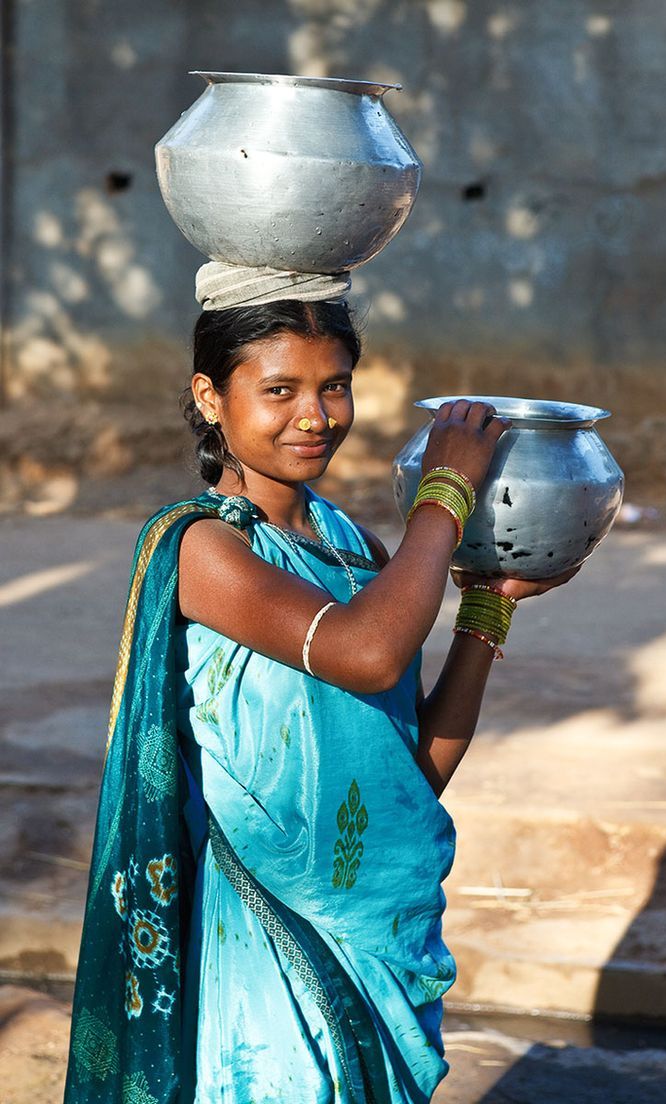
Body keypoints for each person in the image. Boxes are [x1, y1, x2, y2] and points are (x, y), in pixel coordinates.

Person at [63, 280, 578, 1104]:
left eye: (333, 385)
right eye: (279, 390)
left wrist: (486, 606)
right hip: (268, 941)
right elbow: (367, 655)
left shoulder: (353, 547)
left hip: (377, 931)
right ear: (209, 397)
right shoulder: (203, 548)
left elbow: (415, 771)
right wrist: (446, 493)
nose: (315, 415)